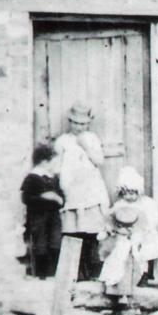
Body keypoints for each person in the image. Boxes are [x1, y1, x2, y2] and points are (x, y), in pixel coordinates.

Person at [54, 104, 110, 280]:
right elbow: (56, 164)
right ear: (70, 122)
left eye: (83, 124)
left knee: (91, 230)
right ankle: (75, 271)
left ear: (88, 124)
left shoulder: (91, 138)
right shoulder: (63, 140)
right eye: (76, 123)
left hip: (90, 189)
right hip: (72, 189)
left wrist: (86, 146)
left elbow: (99, 160)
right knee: (74, 229)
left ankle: (92, 269)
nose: (79, 127)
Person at [99, 166, 158, 291]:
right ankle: (118, 277)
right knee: (118, 251)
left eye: (131, 193)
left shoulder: (146, 203)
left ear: (138, 192)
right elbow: (111, 218)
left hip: (142, 233)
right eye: (125, 194)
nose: (128, 197)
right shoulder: (120, 205)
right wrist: (111, 229)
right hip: (123, 234)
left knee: (142, 249)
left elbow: (152, 220)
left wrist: (141, 230)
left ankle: (144, 275)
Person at [20, 142, 64, 278]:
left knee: (55, 242)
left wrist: (58, 199)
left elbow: (61, 198)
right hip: (38, 218)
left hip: (53, 218)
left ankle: (53, 272)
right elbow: (26, 198)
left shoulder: (53, 178)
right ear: (44, 162)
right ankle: (41, 273)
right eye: (53, 163)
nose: (55, 166)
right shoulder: (32, 178)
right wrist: (44, 197)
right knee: (40, 243)